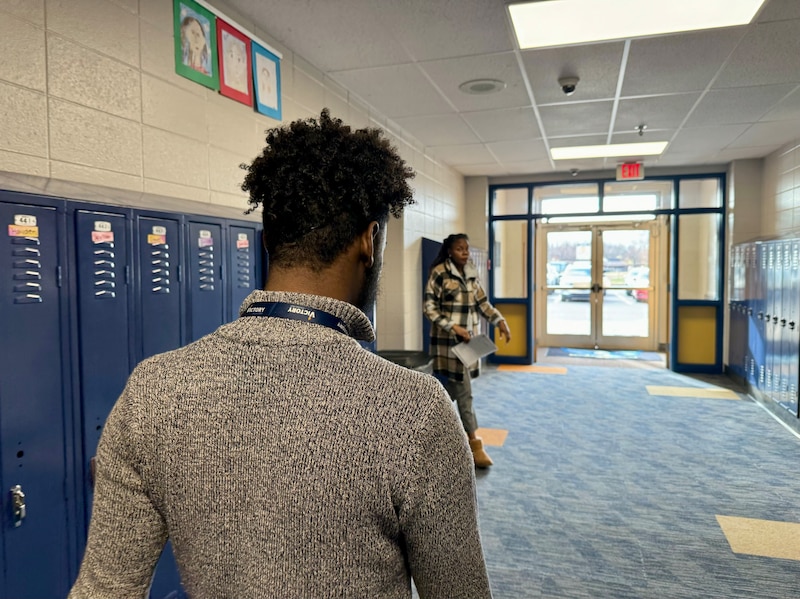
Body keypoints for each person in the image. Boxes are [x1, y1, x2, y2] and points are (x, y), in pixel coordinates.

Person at [68, 110, 493, 599]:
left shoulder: (152, 390)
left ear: (268, 240)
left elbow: (103, 590)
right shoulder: (415, 410)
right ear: (369, 242)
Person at [424, 233, 511, 468]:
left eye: (467, 249)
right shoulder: (440, 273)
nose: (465, 252)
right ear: (450, 251)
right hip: (448, 346)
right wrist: (453, 327)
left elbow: (482, 304)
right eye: (460, 249)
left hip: (468, 345)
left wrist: (500, 321)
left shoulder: (471, 273)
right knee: (465, 394)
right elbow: (429, 308)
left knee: (449, 392)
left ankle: (423, 432)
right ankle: (474, 446)